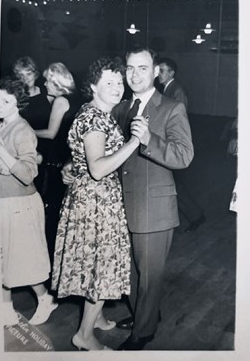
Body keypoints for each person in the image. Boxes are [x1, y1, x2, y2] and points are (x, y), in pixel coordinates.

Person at [62, 46, 194, 350]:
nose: (134, 75)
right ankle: (145, 314)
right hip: (119, 205)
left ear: (156, 71)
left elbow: (184, 156)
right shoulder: (120, 107)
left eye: (142, 68)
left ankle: (143, 332)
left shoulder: (171, 107)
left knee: (149, 274)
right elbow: (100, 150)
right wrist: (73, 166)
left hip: (153, 204)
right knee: (133, 272)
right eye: (130, 69)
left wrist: (149, 139)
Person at [51, 57, 145, 351]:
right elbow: (98, 168)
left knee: (95, 265)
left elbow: (83, 155)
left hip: (91, 198)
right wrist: (133, 142)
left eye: (119, 82)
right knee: (101, 268)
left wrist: (70, 166)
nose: (117, 88)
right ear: (92, 86)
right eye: (109, 83)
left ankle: (99, 317)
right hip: (97, 203)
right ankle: (84, 336)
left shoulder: (93, 112)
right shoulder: (94, 118)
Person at [0, 76, 58, 326]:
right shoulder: (0, 124)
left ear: (18, 103)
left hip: (19, 205)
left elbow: (27, 173)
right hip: (2, 202)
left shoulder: (21, 129)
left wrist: (0, 153)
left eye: (6, 101)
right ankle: (5, 310)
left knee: (25, 261)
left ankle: (46, 299)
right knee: (1, 261)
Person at [34, 62, 81, 261]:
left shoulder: (60, 101)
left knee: (52, 211)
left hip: (57, 160)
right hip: (71, 157)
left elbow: (51, 133)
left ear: (56, 82)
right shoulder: (77, 98)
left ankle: (50, 259)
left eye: (47, 80)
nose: (44, 84)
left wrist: (24, 129)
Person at [156, 56, 205, 232]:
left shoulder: (177, 91)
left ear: (171, 72)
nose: (158, 74)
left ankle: (196, 216)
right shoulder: (166, 89)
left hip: (173, 145)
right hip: (166, 144)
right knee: (174, 184)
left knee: (176, 184)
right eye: (158, 70)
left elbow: (177, 122)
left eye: (161, 70)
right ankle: (194, 216)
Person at [13, 56, 52, 196]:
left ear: (35, 73)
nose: (25, 79)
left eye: (28, 74)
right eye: (21, 75)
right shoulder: (16, 98)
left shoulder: (47, 93)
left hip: (45, 146)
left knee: (41, 189)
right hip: (24, 147)